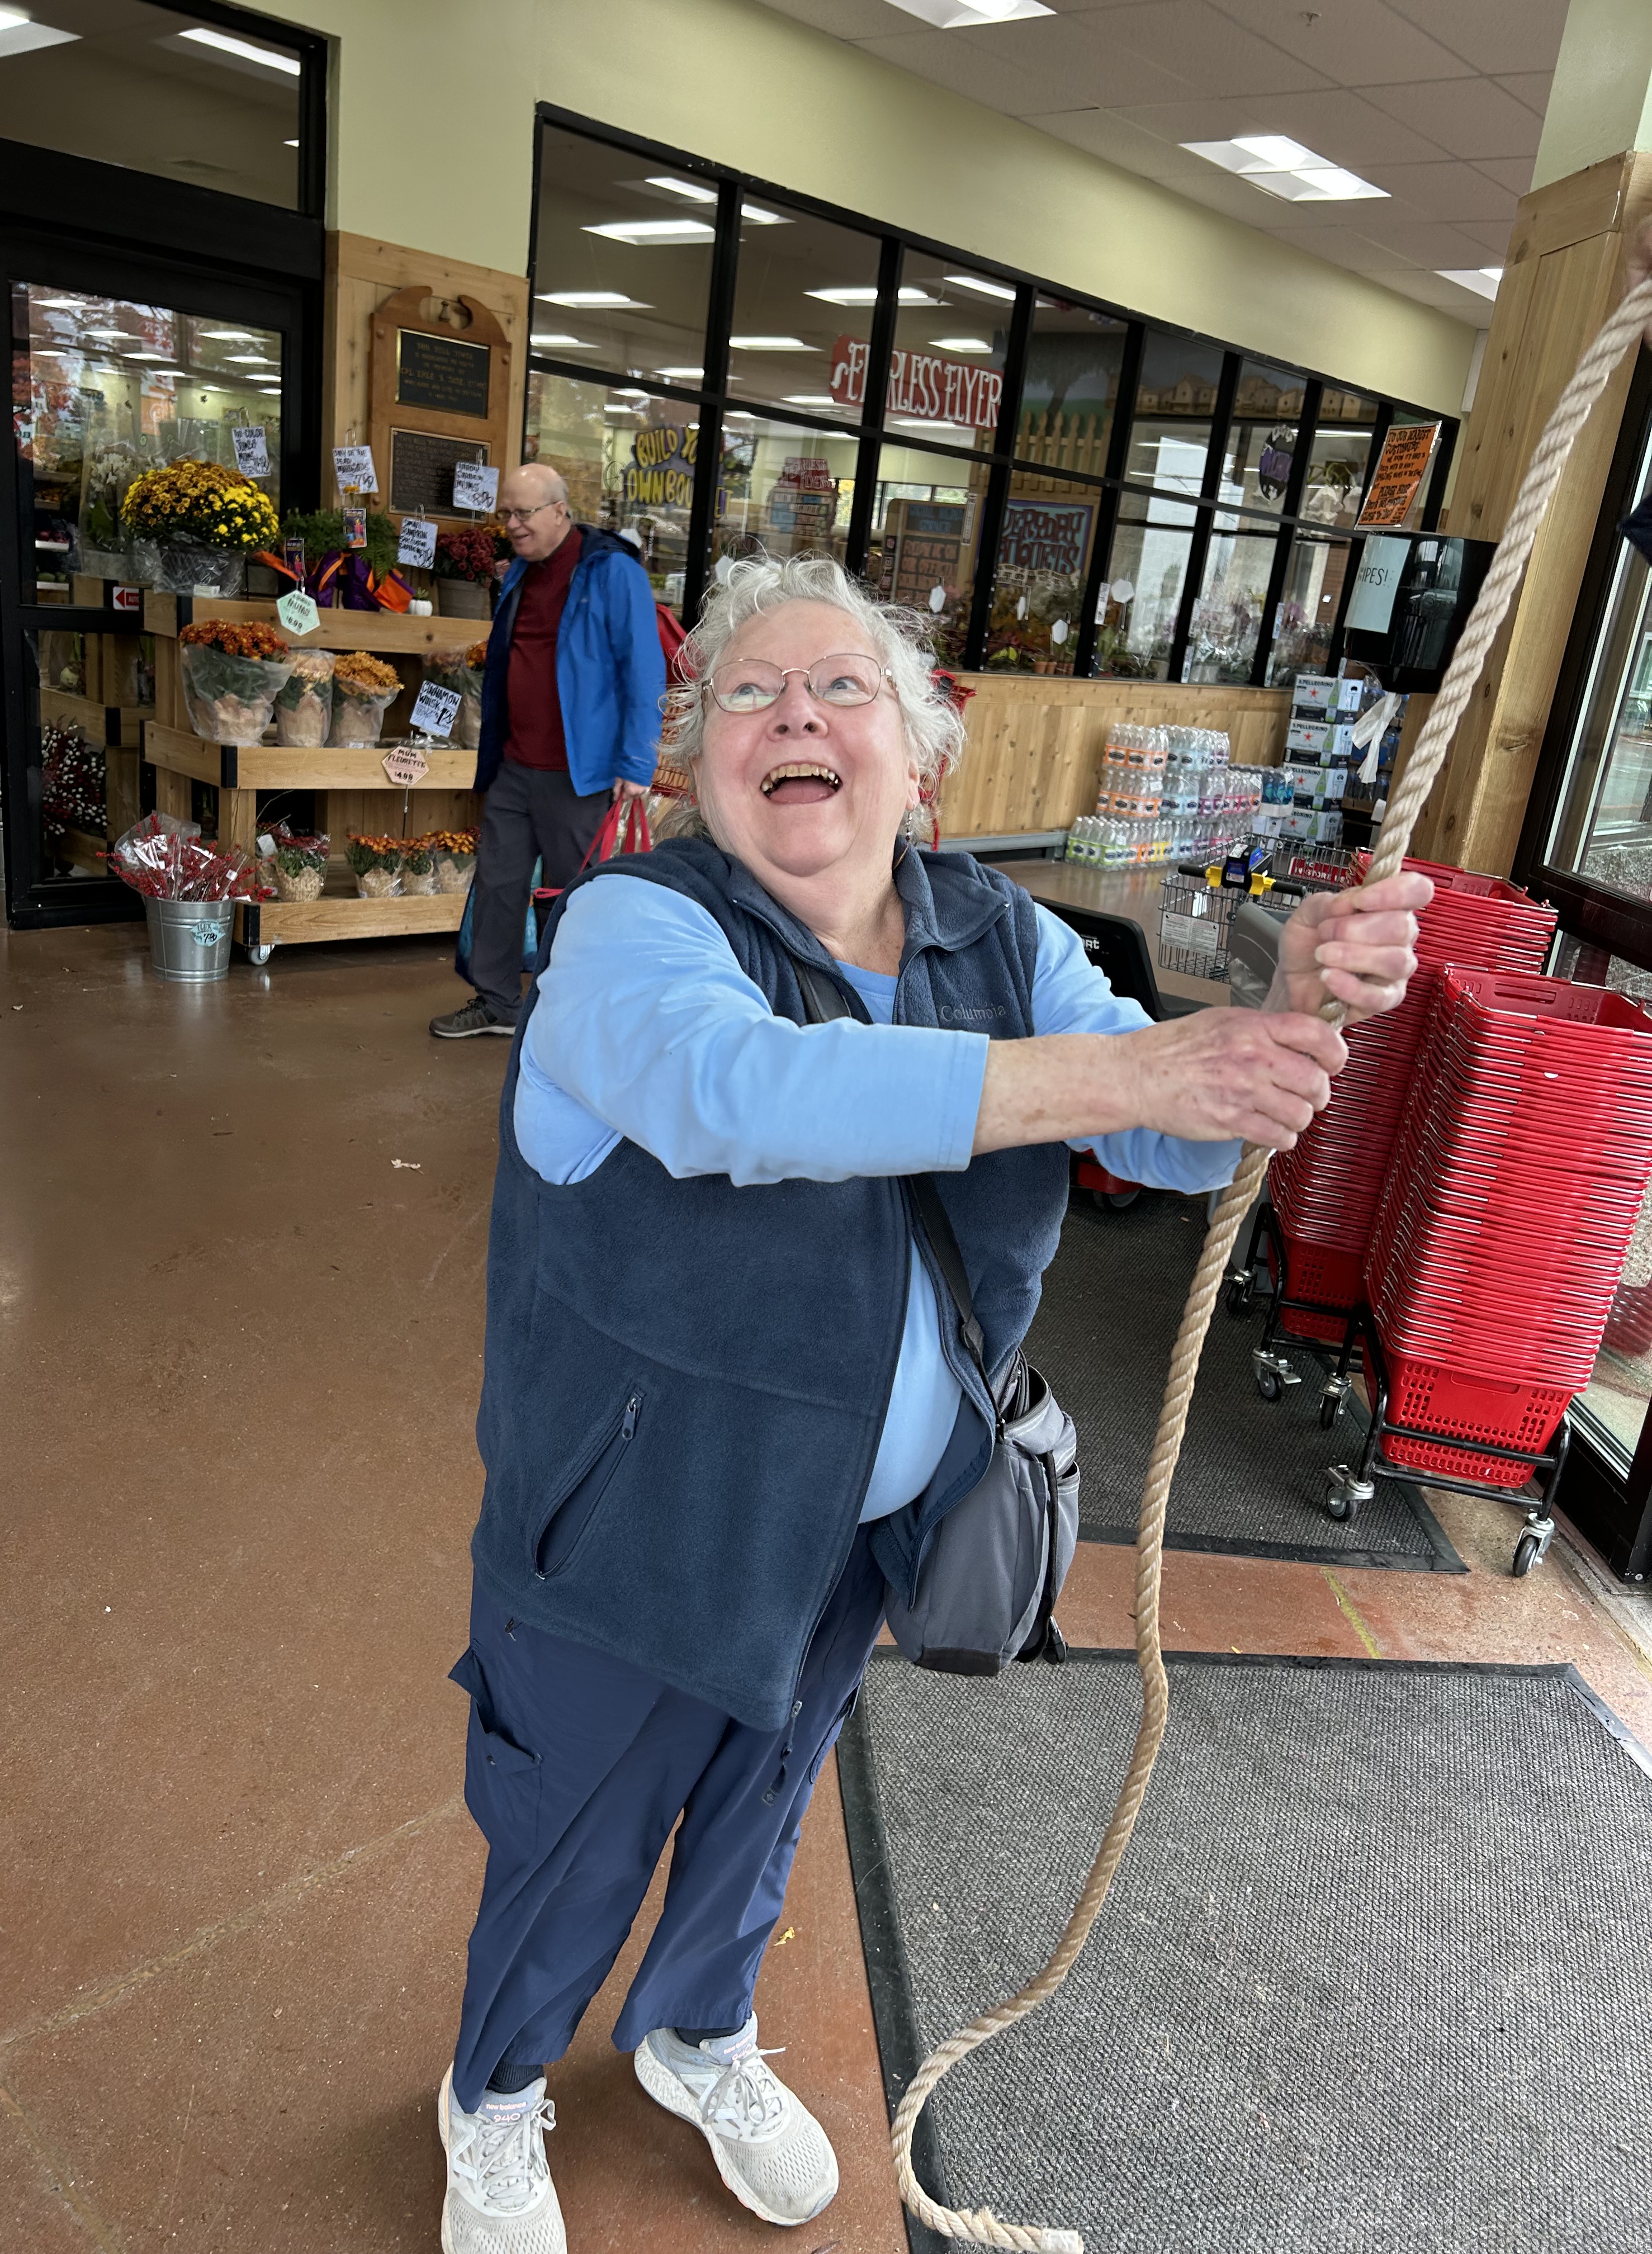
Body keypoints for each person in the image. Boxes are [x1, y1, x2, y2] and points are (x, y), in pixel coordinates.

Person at [437, 553, 1431, 2251]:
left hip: (861, 1521)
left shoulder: (1000, 935)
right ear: (697, 760)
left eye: (845, 689)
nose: (797, 716)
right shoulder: (630, 928)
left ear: (919, 758)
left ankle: (697, 2037)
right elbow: (739, 1090)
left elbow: (1166, 1133)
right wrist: (1129, 1064)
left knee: (764, 1802)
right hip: (633, 1531)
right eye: (750, 693)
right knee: (573, 1831)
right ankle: (495, 2096)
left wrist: (1271, 1023)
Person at [429, 463, 665, 1039]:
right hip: (515, 763)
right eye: (504, 513)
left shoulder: (612, 571)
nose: (511, 524)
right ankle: (497, 1001)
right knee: (497, 885)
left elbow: (643, 667)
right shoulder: (522, 571)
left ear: (560, 511)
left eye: (523, 513)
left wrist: (637, 761)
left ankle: (573, 1010)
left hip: (581, 772)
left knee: (575, 897)